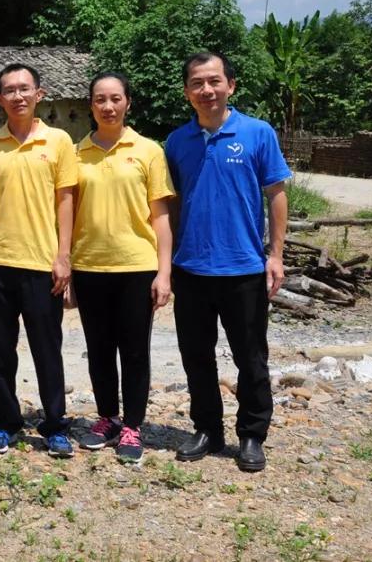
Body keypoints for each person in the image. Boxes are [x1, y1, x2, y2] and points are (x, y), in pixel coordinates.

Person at [165, 52, 291, 473]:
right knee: (196, 356)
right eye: (197, 83)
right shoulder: (177, 142)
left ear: (230, 85)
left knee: (251, 357)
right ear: (187, 92)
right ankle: (207, 429)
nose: (207, 90)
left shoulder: (257, 133)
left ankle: (252, 435)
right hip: (191, 268)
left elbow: (276, 194)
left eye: (214, 81)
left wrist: (275, 255)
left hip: (244, 268)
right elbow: (173, 204)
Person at [0, 63, 78, 458]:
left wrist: (64, 256)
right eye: (10, 90)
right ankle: (6, 422)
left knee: (47, 349)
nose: (18, 96)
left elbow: (66, 201)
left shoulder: (59, 141)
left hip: (42, 263)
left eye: (24, 89)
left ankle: (55, 425)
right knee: (1, 350)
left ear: (39, 94)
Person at [70, 72, 174, 463]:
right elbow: (66, 214)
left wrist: (164, 272)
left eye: (115, 98)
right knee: (98, 348)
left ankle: (133, 425)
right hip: (89, 265)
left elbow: (161, 216)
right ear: (91, 104)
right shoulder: (76, 154)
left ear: (128, 102)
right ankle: (107, 418)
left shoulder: (148, 150)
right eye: (100, 99)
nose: (108, 106)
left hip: (136, 266)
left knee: (133, 350)